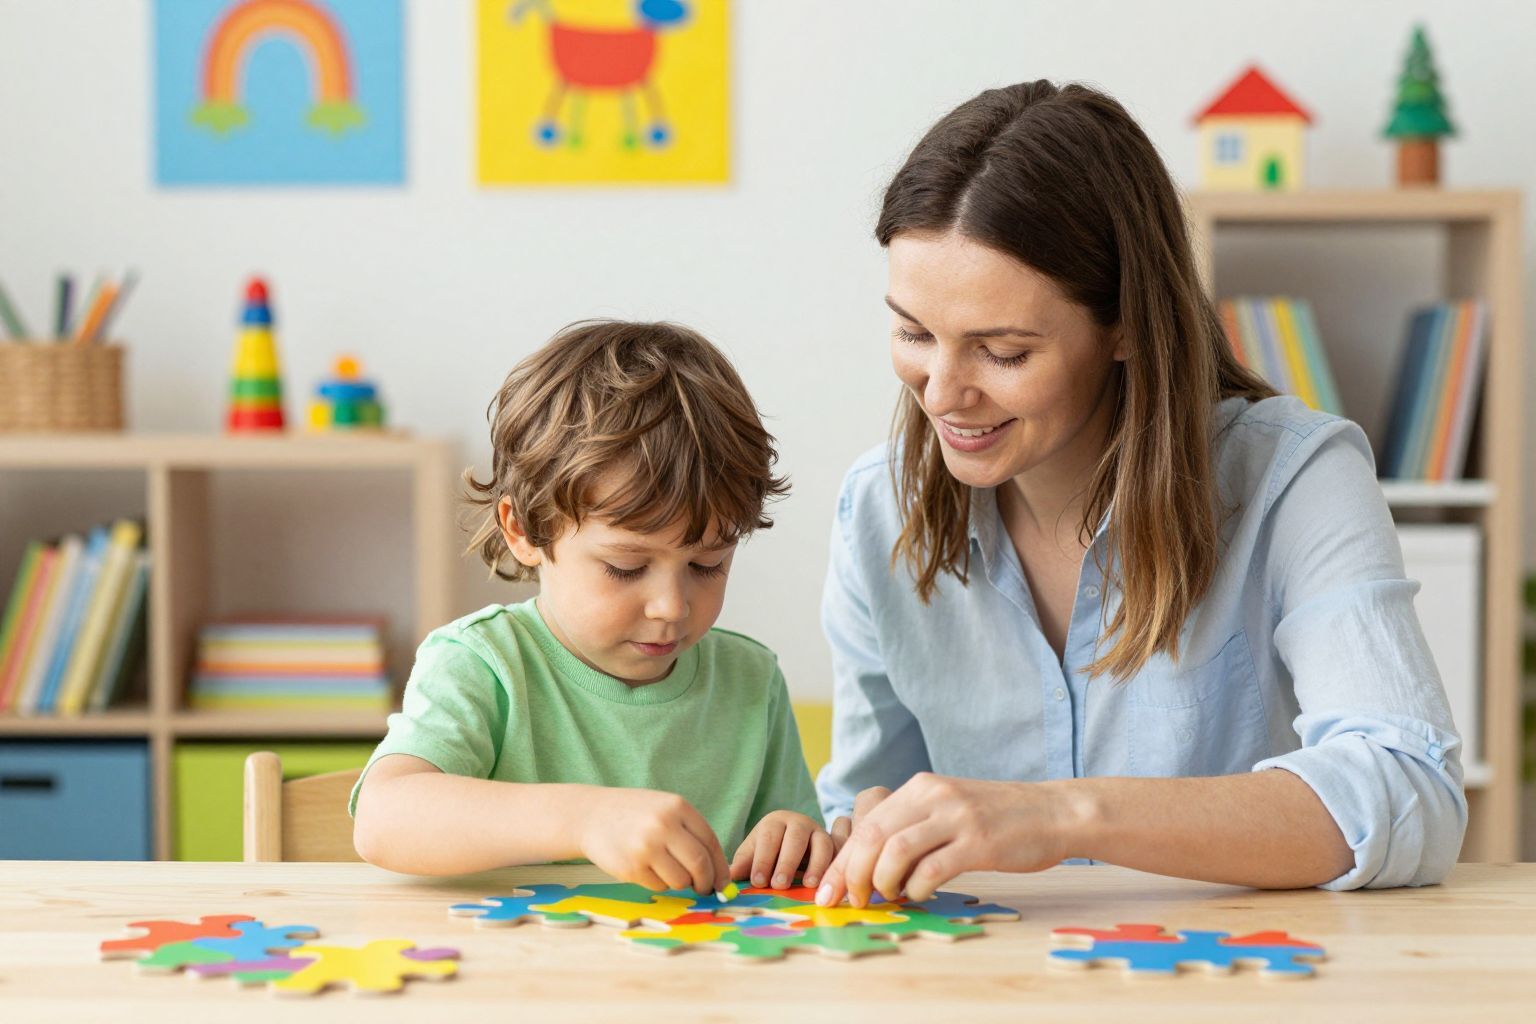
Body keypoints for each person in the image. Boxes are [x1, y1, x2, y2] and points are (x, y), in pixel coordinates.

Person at [812, 80, 1466, 909]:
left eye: (1002, 352)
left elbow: (1410, 789)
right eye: (913, 333)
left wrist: (1065, 816)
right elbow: (865, 802)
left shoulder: (1295, 478)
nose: (942, 393)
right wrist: (849, 830)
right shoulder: (880, 509)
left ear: (1125, 324)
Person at [352, 320, 830, 894]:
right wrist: (585, 819)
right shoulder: (481, 663)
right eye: (625, 568)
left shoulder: (751, 682)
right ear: (524, 529)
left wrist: (794, 836)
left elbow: (794, 849)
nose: (670, 607)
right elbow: (384, 819)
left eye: (708, 565)